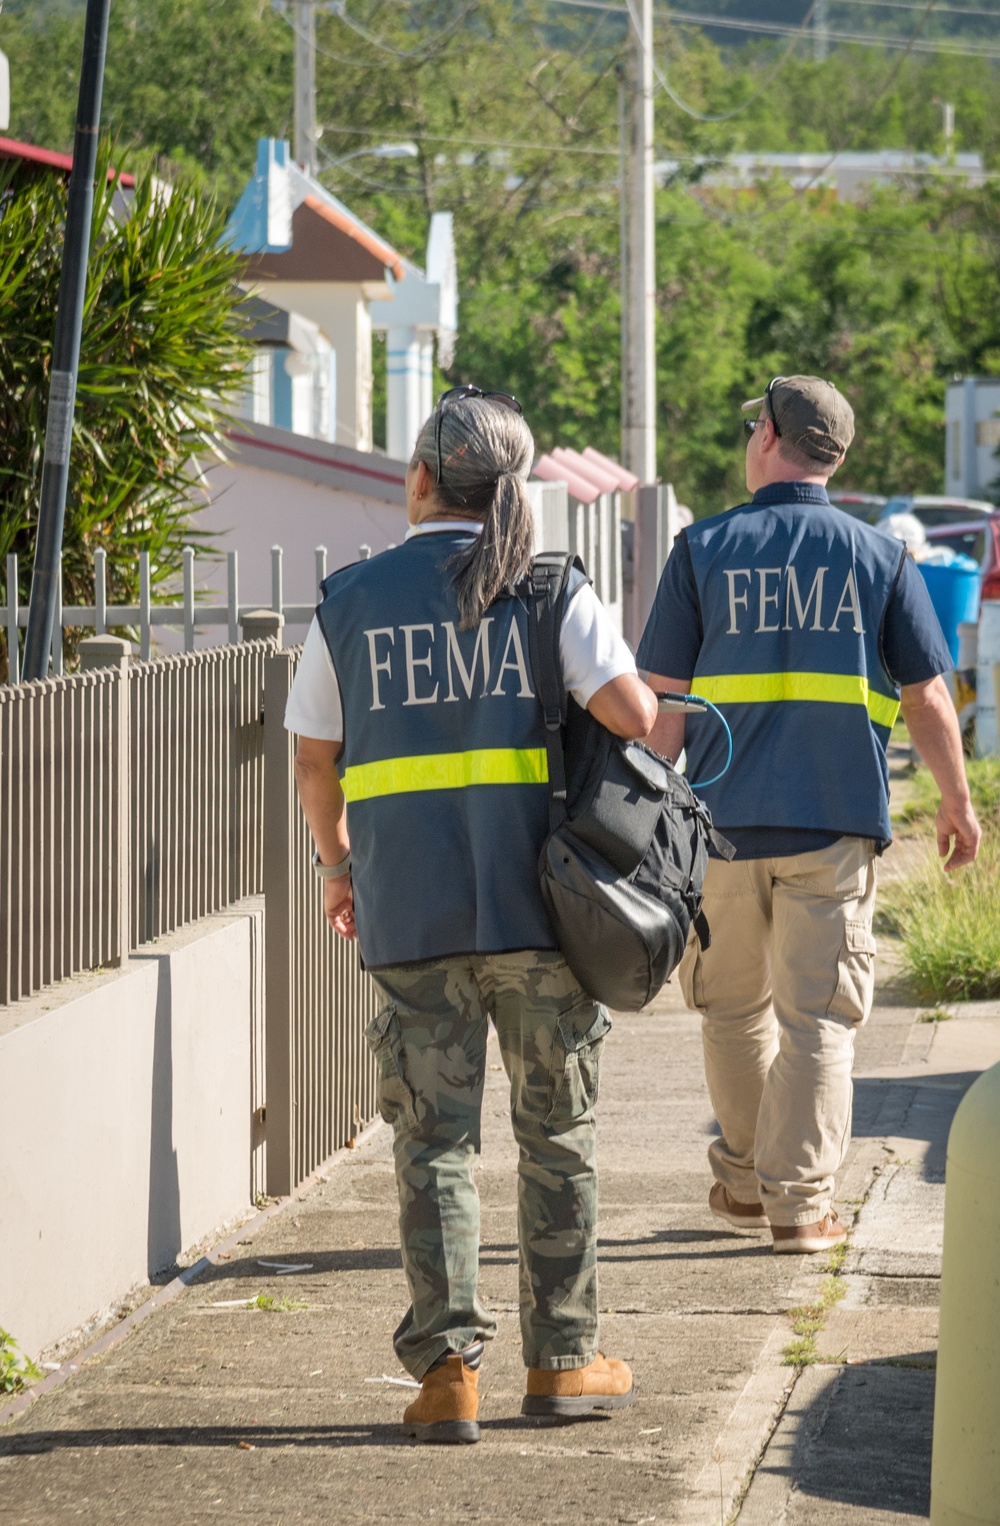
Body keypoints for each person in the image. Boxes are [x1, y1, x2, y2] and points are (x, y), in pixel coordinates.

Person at [285, 386, 657, 1442]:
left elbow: (316, 754)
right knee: (557, 1135)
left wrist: (337, 864)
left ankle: (448, 1370)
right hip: (543, 918)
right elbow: (632, 717)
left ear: (417, 481)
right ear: (512, 488)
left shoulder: (349, 601)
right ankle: (561, 1364)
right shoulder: (546, 591)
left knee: (432, 1145)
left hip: (411, 917)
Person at [638, 375, 981, 1255]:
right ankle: (800, 1208)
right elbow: (929, 698)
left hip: (718, 829)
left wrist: (637, 821)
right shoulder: (879, 557)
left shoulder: (700, 550)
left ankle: (750, 1188)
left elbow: (663, 713)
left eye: (755, 423)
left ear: (769, 439)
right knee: (817, 1020)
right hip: (832, 827)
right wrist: (955, 801)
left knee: (731, 1014)